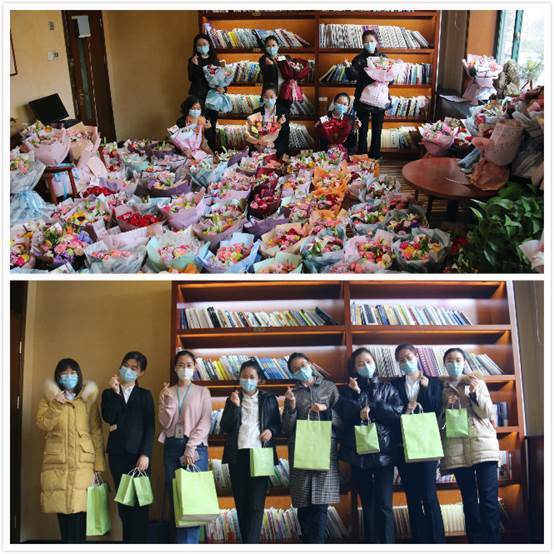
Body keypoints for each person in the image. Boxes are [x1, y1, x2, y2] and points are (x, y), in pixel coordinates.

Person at [336, 348, 403, 543]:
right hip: (358, 456)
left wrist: (373, 407)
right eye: (360, 363)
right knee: (367, 505)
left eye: (368, 361)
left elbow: (398, 414)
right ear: (354, 369)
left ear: (374, 363)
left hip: (384, 455)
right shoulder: (346, 391)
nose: (365, 366)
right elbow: (343, 415)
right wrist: (357, 394)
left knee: (384, 504)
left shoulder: (388, 388)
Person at [36, 358, 105, 544]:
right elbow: (43, 424)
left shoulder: (88, 399)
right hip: (58, 463)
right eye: (64, 373)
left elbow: (96, 432)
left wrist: (98, 466)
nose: (69, 376)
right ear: (58, 377)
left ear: (79, 374)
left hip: (83, 463)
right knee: (63, 513)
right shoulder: (49, 398)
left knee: (80, 513)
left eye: (73, 372)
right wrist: (56, 405)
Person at [440, 348, 501, 543]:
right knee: (469, 501)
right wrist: (447, 407)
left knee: (489, 500)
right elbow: (439, 423)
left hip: (483, 446)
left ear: (465, 363)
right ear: (444, 364)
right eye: (450, 360)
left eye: (458, 360)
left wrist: (474, 393)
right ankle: (475, 542)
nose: (454, 364)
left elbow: (487, 413)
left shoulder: (477, 382)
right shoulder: (441, 388)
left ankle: (493, 543)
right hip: (456, 451)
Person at [281, 352, 340, 544]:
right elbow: (286, 429)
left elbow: (343, 420)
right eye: (296, 369)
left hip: (324, 450)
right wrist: (291, 407)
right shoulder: (293, 393)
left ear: (310, 364)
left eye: (303, 365)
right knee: (303, 507)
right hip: (301, 452)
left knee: (321, 508)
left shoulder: (329, 387)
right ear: (292, 373)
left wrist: (326, 410)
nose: (301, 370)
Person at [220, 360, 281, 543]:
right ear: (239, 378)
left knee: (256, 504)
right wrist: (235, 406)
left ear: (259, 379)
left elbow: (277, 425)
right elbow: (225, 426)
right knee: (241, 503)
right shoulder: (232, 398)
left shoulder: (269, 398)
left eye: (252, 377)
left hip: (261, 453)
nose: (248, 380)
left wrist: (270, 431)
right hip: (237, 455)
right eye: (244, 376)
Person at [390, 344, 446, 543]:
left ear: (416, 356)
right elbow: (390, 411)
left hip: (427, 445)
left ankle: (438, 542)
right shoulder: (394, 385)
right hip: (403, 446)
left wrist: (425, 389)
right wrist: (406, 410)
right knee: (412, 498)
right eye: (401, 360)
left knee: (429, 496)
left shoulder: (434, 382)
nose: (406, 362)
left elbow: (437, 409)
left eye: (409, 357)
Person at [158, 349, 212, 543]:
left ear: (195, 368)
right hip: (172, 446)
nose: (185, 369)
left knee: (192, 500)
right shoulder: (168, 391)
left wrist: (191, 446)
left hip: (195, 446)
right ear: (175, 368)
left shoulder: (203, 392)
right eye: (180, 365)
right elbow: (165, 423)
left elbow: (206, 421)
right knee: (176, 499)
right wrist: (167, 402)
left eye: (188, 365)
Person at [101, 351, 154, 544]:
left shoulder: (145, 395)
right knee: (124, 503)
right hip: (117, 455)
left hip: (140, 456)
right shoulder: (108, 393)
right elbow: (109, 417)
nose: (128, 370)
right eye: (126, 366)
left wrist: (145, 454)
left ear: (141, 373)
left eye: (134, 368)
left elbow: (150, 426)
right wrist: (116, 393)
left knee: (140, 503)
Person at [344, 30, 388, 158]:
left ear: (376, 42)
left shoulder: (382, 58)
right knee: (362, 130)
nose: (369, 44)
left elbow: (390, 77)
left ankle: (375, 155)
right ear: (363, 43)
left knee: (377, 130)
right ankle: (362, 155)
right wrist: (348, 68)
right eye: (366, 42)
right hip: (363, 98)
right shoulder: (358, 59)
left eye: (371, 41)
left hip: (379, 99)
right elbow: (352, 77)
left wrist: (387, 80)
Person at [187, 33, 224, 152]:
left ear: (209, 45)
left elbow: (219, 80)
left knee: (210, 125)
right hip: (198, 97)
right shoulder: (193, 60)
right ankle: (196, 152)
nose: (202, 46)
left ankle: (212, 152)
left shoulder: (214, 60)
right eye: (199, 45)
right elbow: (192, 78)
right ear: (195, 47)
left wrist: (223, 89)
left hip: (212, 97)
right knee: (196, 125)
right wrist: (195, 65)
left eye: (204, 44)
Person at [249, 85, 290, 158]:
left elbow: (285, 135)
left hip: (277, 150)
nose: (269, 99)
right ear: (262, 97)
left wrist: (275, 146)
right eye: (266, 97)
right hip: (259, 149)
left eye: (271, 97)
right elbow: (253, 133)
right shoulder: (256, 112)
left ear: (276, 97)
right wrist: (258, 145)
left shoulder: (283, 112)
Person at [258, 35, 292, 116]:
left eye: (273, 45)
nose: (271, 48)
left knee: (284, 116)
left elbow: (290, 73)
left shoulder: (285, 57)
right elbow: (268, 76)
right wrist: (271, 65)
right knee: (270, 116)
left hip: (285, 92)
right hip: (271, 94)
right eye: (268, 46)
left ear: (278, 46)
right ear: (265, 48)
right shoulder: (263, 59)